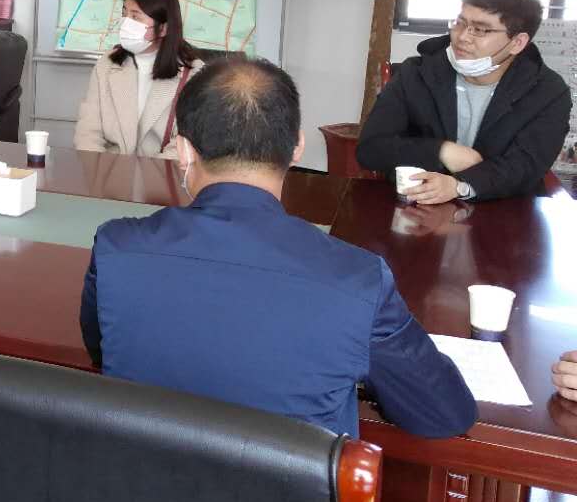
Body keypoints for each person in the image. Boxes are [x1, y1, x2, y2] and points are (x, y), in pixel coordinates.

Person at [81, 56, 477, 441]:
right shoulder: (358, 279)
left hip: (133, 482)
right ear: (297, 147)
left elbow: (104, 352)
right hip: (290, 489)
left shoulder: (117, 248)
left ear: (183, 151)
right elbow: (444, 413)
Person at [358, 0, 571, 203]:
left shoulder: (548, 93)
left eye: (480, 30)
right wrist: (441, 151)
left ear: (517, 42)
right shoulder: (416, 73)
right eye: (460, 23)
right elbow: (371, 148)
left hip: (504, 211)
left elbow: (525, 167)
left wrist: (460, 186)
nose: (462, 37)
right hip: (419, 207)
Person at [73, 0, 202, 158]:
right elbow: (88, 132)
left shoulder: (194, 74)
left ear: (163, 28)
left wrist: (147, 174)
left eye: (135, 17)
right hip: (109, 168)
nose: (126, 23)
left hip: (161, 170)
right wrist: (97, 170)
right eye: (124, 14)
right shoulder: (107, 64)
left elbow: (184, 145)